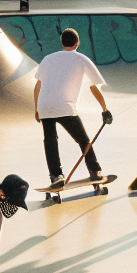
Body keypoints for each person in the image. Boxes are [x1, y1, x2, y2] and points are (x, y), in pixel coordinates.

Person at [33, 28, 111, 189]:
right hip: (64, 106)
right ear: (77, 43)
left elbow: (37, 85)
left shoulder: (48, 59)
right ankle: (95, 171)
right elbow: (94, 87)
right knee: (83, 140)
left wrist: (37, 109)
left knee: (50, 140)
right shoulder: (81, 59)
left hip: (45, 106)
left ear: (62, 43)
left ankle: (55, 176)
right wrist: (105, 109)